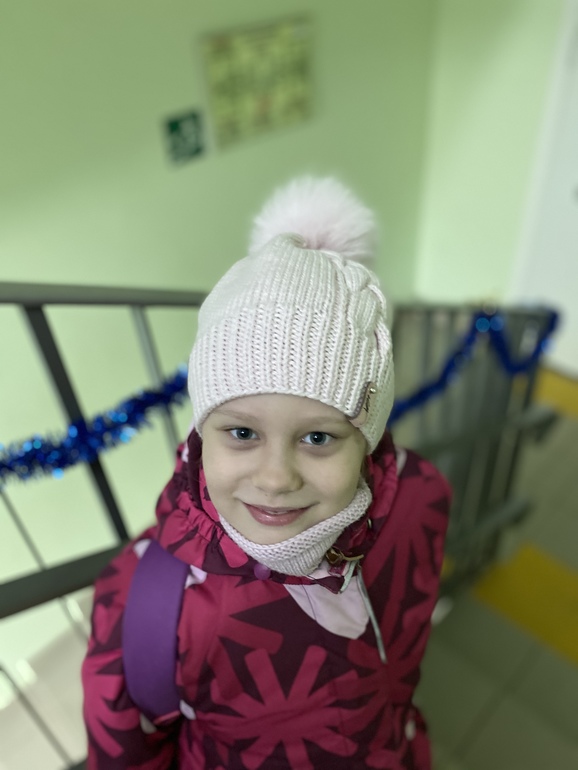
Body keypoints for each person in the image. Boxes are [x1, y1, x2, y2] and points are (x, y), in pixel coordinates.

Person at [82, 176, 451, 769]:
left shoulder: (419, 497)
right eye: (242, 433)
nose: (276, 479)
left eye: (317, 437)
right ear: (201, 433)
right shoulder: (148, 610)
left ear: (367, 439)